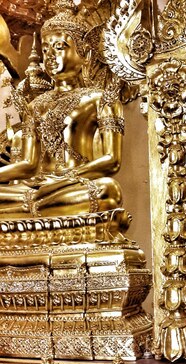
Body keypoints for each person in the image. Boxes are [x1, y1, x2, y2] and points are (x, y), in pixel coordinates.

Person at [0, 0, 124, 218]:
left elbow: (112, 160)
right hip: (37, 188)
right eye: (46, 49)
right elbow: (29, 164)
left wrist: (65, 177)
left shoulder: (101, 97)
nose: (50, 56)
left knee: (108, 190)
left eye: (59, 48)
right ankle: (37, 206)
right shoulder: (35, 106)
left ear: (84, 53)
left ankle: (37, 209)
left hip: (75, 185)